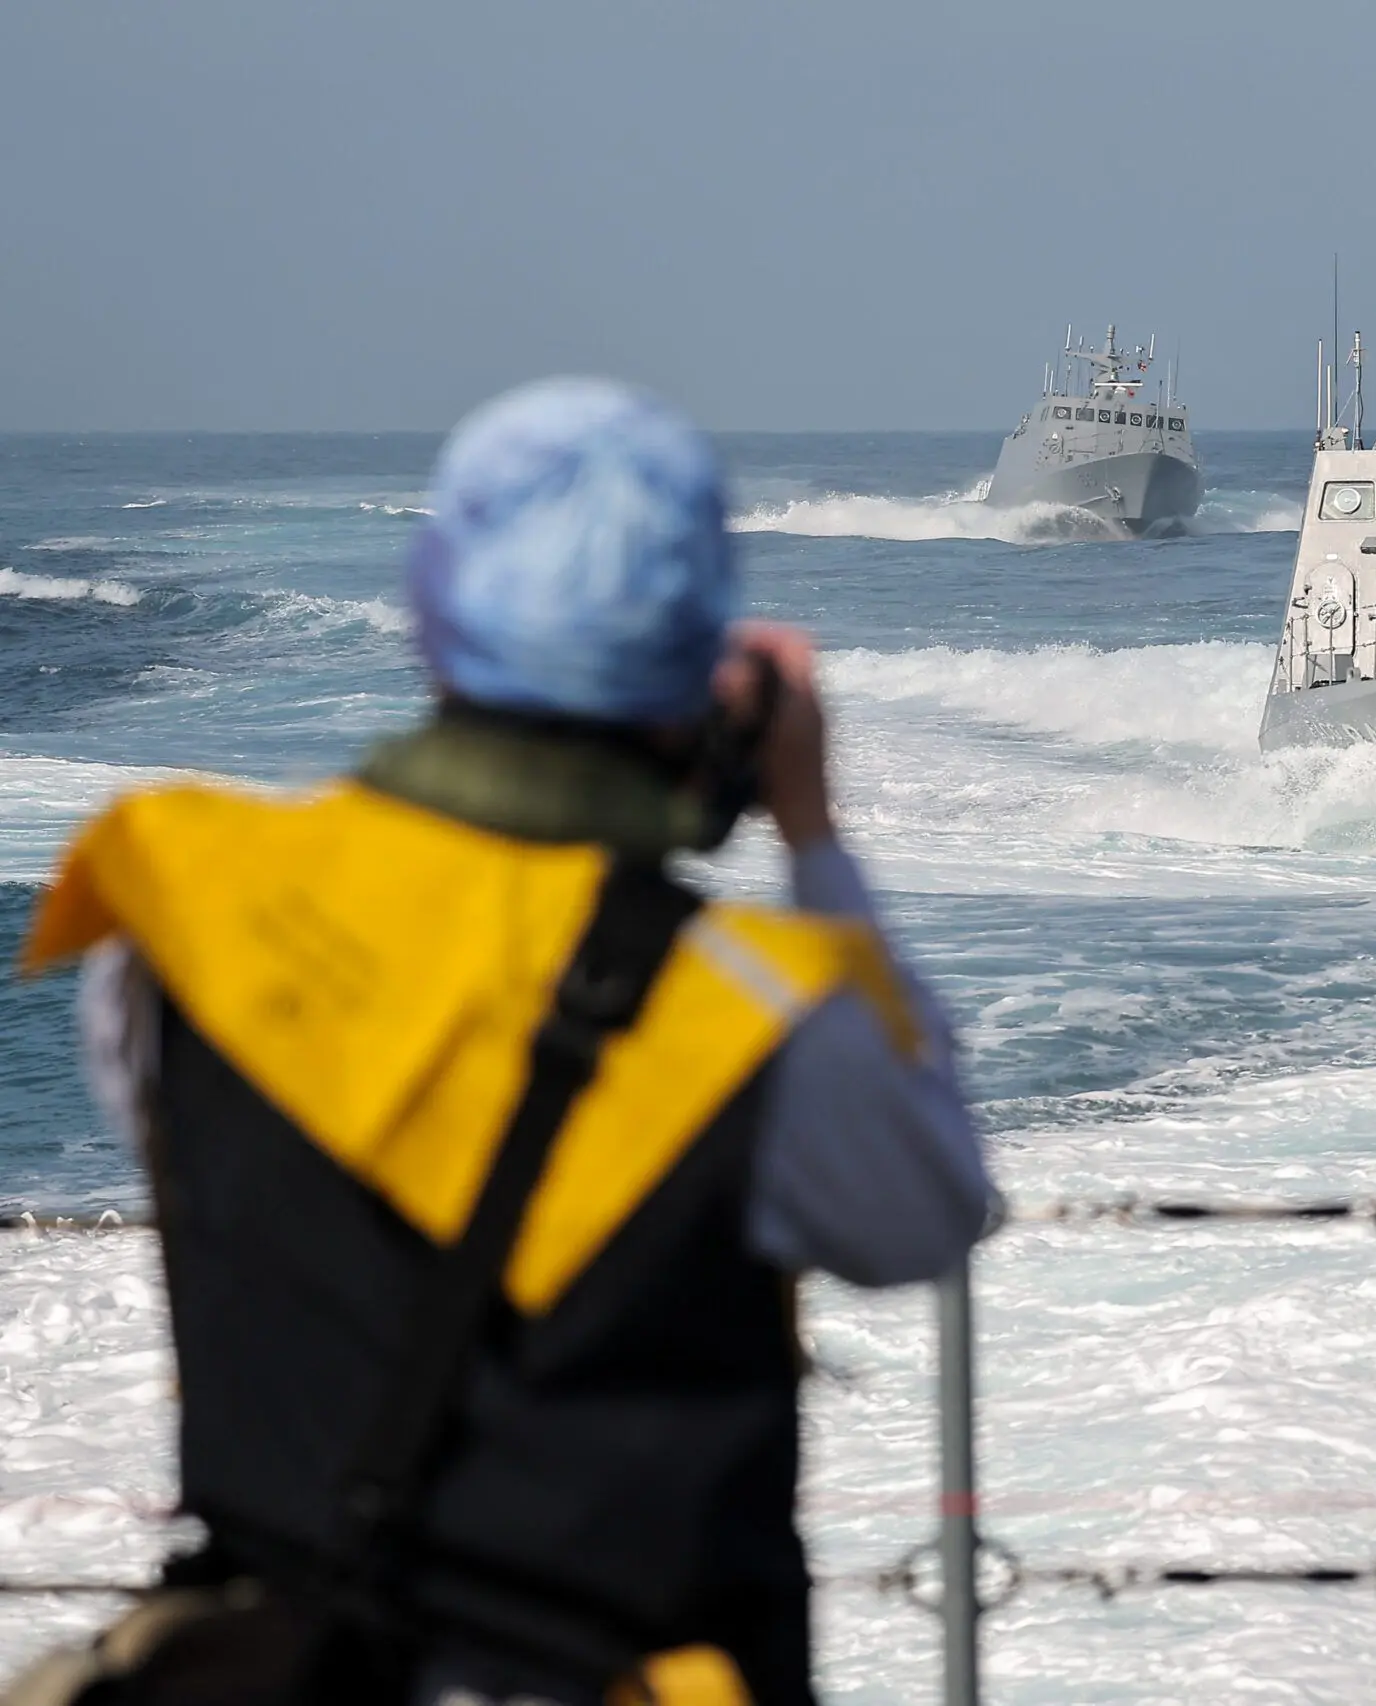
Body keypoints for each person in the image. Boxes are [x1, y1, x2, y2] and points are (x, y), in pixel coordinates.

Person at [17, 379, 994, 1705]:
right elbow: (923, 1215)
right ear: (697, 686)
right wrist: (813, 830)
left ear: (431, 623)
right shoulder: (764, 1017)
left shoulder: (172, 913)